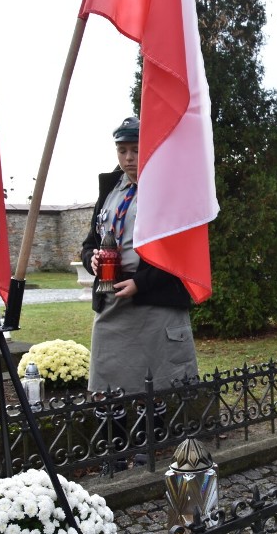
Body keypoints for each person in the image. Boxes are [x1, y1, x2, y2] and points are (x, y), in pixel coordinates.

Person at [81, 116, 199, 466]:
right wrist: (91, 259)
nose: (129, 157)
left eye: (136, 149)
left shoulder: (167, 187)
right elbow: (90, 241)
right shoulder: (111, 189)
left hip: (153, 295)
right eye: (123, 150)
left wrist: (141, 282)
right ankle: (115, 451)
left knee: (155, 378)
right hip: (112, 295)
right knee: (108, 380)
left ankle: (151, 448)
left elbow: (178, 246)